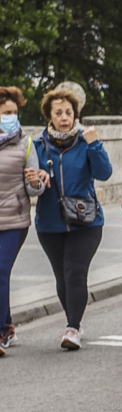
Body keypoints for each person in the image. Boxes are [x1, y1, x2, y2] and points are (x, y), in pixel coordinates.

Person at [32, 87, 112, 350]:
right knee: (62, 277)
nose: (64, 117)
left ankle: (72, 328)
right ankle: (73, 320)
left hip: (86, 221)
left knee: (75, 272)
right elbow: (30, 184)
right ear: (49, 116)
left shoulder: (84, 142)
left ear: (75, 115)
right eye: (58, 113)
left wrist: (94, 143)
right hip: (50, 223)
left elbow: (104, 173)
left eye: (69, 112)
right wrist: (37, 179)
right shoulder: (37, 146)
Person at [0, 86, 46, 357]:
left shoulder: (25, 143)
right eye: (7, 112)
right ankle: (7, 326)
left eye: (14, 113)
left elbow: (35, 189)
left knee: (1, 272)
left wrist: (35, 182)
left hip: (14, 220)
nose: (12, 117)